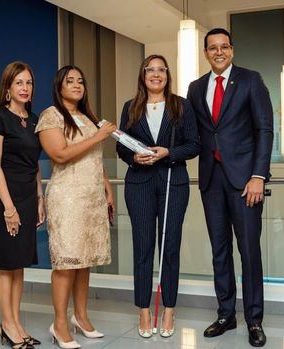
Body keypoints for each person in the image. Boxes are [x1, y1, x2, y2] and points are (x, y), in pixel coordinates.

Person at [186, 28, 273, 347]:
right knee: (219, 251)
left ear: (232, 50)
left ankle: (254, 319)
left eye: (224, 47)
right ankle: (226, 314)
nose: (218, 52)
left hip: (245, 182)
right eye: (212, 48)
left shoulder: (251, 80)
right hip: (211, 181)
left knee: (249, 252)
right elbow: (194, 135)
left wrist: (258, 176)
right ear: (206, 53)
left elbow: (265, 129)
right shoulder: (195, 88)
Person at [117, 54, 199, 338]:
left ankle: (169, 309)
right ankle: (143, 309)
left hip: (172, 181)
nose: (155, 74)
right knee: (142, 248)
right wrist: (134, 157)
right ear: (143, 75)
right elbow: (121, 147)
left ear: (167, 74)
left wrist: (168, 153)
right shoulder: (131, 107)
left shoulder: (181, 105)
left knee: (170, 248)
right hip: (138, 183)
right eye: (149, 70)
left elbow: (194, 145)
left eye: (160, 70)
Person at [36, 65, 116, 349]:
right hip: (67, 197)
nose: (77, 85)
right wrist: (99, 136)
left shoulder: (88, 117)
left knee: (85, 262)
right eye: (70, 81)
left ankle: (80, 317)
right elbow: (59, 154)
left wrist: (107, 188)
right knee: (67, 262)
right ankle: (59, 323)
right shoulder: (51, 115)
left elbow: (95, 158)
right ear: (59, 87)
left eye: (81, 81)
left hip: (92, 198)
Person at [0, 61, 43, 349]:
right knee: (6, 264)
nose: (24, 87)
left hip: (28, 196)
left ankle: (16, 322)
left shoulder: (33, 120)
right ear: (8, 88)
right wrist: (9, 208)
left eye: (29, 82)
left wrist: (40, 197)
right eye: (19, 82)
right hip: (4, 196)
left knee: (19, 264)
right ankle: (7, 325)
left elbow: (35, 165)